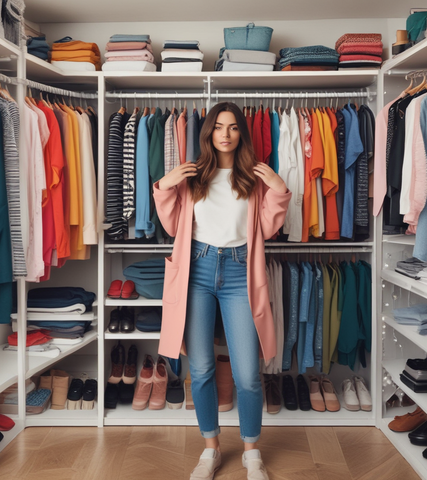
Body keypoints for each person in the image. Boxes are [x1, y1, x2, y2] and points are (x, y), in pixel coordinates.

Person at [153, 102, 291, 480]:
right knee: (200, 370)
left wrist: (279, 190)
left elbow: (265, 229)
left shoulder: (253, 178)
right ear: (209, 132)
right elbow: (171, 225)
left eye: (232, 127)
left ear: (241, 133)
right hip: (196, 268)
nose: (225, 134)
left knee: (248, 372)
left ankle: (251, 452)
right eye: (218, 127)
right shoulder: (194, 176)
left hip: (238, 271)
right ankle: (211, 448)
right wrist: (165, 185)